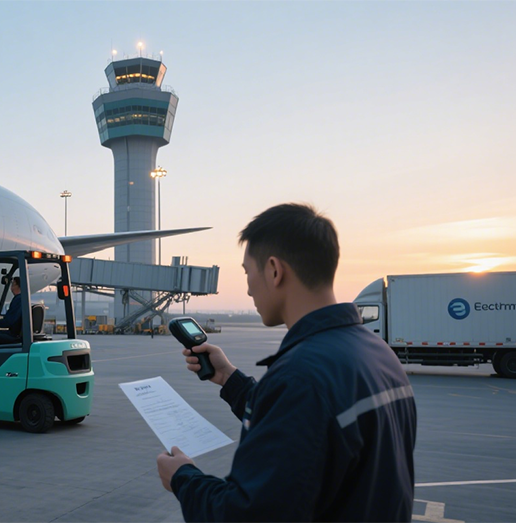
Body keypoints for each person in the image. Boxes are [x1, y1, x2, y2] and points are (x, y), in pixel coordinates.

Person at [156, 203, 417, 522]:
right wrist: (228, 378)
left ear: (274, 270)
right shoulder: (378, 353)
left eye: (247, 272)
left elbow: (248, 515)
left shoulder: (300, 378)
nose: (248, 288)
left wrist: (183, 478)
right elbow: (312, 425)